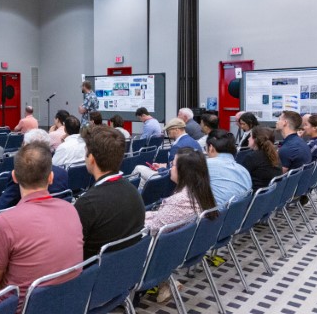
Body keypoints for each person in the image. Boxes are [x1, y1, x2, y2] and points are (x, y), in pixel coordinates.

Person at [0, 142, 83, 314]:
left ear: (14, 177)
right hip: (68, 307)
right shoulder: (71, 210)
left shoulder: (4, 222)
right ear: (51, 177)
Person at [144, 147, 217, 303]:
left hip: (158, 251)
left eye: (173, 164)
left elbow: (153, 229)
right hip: (181, 248)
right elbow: (163, 220)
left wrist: (137, 219)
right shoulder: (201, 193)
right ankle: (166, 283)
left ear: (184, 172)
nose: (171, 168)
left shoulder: (180, 200)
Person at [0, 129, 69, 217]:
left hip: (16, 211)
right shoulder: (63, 173)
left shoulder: (21, 174)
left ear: (26, 147)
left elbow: (2, 208)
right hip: (36, 208)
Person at [74, 126, 145, 259]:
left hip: (91, 268)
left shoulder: (87, 204)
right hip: (128, 264)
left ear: (91, 159)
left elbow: (72, 249)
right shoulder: (133, 191)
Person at [134, 118, 201, 189]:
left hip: (174, 182)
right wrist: (163, 165)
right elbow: (180, 164)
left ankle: (133, 193)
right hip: (192, 180)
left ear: (177, 129)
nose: (167, 132)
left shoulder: (177, 146)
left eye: (169, 130)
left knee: (138, 168)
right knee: (143, 180)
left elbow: (171, 171)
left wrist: (160, 169)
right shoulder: (194, 142)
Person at [205, 129, 252, 205]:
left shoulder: (205, 165)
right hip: (239, 211)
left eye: (205, 148)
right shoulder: (244, 171)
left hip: (214, 210)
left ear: (211, 148)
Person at [237, 126, 282, 191]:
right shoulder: (275, 154)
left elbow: (240, 179)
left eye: (250, 136)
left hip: (256, 194)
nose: (248, 139)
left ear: (255, 140)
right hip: (271, 193)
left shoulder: (251, 157)